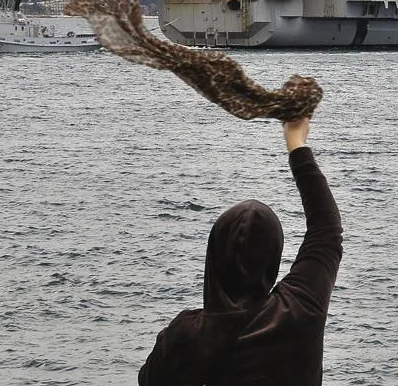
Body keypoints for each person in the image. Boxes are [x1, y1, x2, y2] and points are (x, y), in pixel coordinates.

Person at [138, 117, 343, 385]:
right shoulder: (301, 309)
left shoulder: (184, 337)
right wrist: (296, 142)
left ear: (215, 257)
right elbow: (326, 230)